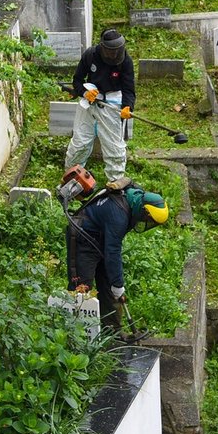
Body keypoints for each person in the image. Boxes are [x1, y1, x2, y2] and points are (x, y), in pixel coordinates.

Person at [66, 183, 169, 333]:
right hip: (83, 237)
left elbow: (111, 251)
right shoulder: (118, 216)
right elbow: (113, 251)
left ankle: (112, 333)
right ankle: (77, 335)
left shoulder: (134, 198)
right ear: (144, 211)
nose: (147, 223)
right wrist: (119, 284)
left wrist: (114, 284)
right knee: (82, 288)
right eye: (149, 220)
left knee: (109, 288)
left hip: (101, 236)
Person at [65, 29, 135, 182]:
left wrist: (127, 106)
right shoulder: (91, 55)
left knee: (114, 147)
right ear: (103, 48)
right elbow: (77, 80)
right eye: (111, 52)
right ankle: (72, 176)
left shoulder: (125, 61)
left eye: (117, 52)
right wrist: (84, 92)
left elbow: (129, 89)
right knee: (79, 143)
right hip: (90, 101)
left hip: (113, 103)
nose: (114, 55)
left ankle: (116, 183)